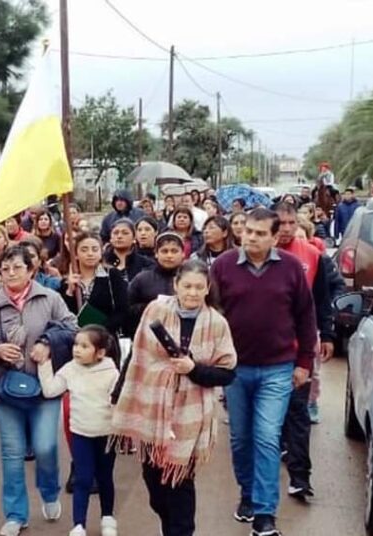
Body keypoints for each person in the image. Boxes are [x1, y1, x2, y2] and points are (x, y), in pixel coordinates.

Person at [209, 208, 318, 536]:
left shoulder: (290, 269)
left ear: (274, 237)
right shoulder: (223, 266)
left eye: (259, 233)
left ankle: (265, 513)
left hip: (278, 368)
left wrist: (305, 363)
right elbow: (211, 313)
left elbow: (305, 316)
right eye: (248, 232)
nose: (251, 237)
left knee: (268, 437)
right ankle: (247, 494)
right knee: (241, 439)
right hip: (235, 369)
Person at [113, 260, 237, 536]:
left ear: (207, 289)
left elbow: (227, 373)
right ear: (176, 286)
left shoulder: (217, 323)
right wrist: (121, 392)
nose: (193, 292)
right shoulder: (155, 310)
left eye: (199, 287)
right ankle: (169, 526)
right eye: (187, 286)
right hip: (152, 408)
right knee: (156, 487)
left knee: (180, 485)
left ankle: (180, 532)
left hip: (190, 415)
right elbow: (139, 355)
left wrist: (195, 369)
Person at [0, 245, 77, 536]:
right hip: (5, 390)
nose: (11, 273)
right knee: (12, 453)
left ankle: (49, 491)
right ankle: (15, 514)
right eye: (5, 269)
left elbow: (74, 329)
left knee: (46, 446)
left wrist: (47, 342)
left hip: (44, 389)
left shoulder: (50, 298)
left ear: (31, 269)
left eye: (17, 267)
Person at [273, 204, 343, 501]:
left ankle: (301, 477)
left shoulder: (314, 256)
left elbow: (322, 301)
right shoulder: (255, 256)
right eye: (281, 222)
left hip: (299, 349)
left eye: (291, 222)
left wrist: (326, 335)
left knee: (298, 412)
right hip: (263, 353)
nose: (287, 228)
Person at [36, 325, 120, 536]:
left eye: (84, 346)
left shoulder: (111, 372)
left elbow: (118, 402)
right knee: (82, 478)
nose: (77, 350)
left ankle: (107, 518)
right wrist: (44, 366)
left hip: (106, 434)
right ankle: (78, 524)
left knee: (105, 477)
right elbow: (50, 390)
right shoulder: (70, 369)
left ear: (100, 352)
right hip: (80, 433)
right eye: (76, 345)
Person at [61, 232, 130, 341]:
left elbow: (122, 310)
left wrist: (98, 332)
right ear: (76, 254)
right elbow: (64, 314)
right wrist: (69, 292)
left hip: (105, 338)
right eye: (84, 250)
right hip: (75, 340)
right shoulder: (67, 282)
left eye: (95, 249)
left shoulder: (112, 276)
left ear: (101, 252)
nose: (90, 254)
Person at [127, 233, 186, 335]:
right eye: (164, 251)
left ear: (183, 254)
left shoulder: (191, 279)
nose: (169, 255)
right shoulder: (142, 279)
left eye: (174, 251)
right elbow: (126, 309)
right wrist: (152, 307)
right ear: (156, 253)